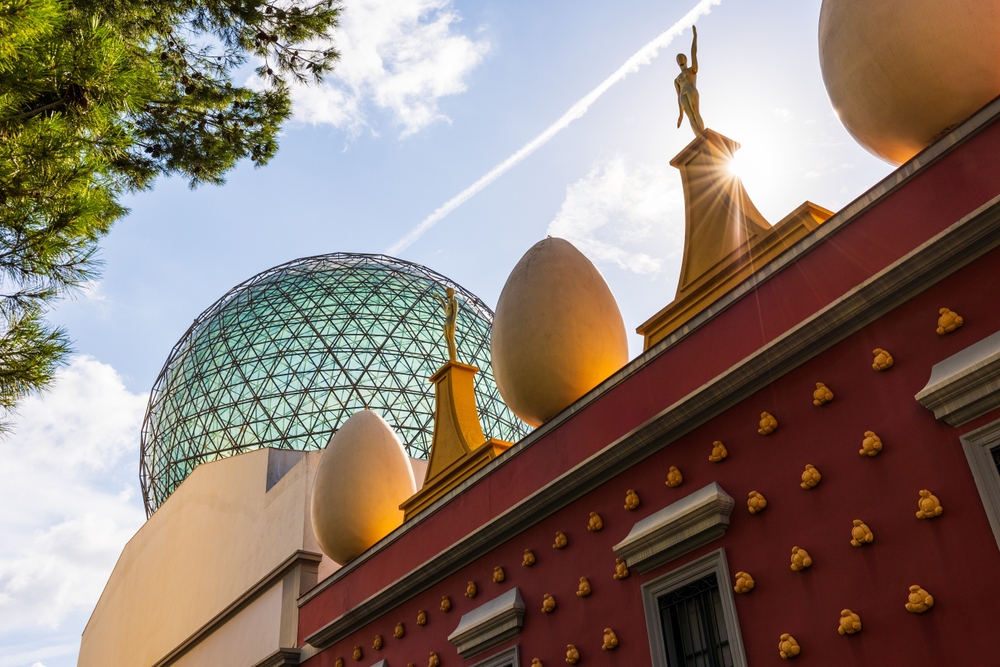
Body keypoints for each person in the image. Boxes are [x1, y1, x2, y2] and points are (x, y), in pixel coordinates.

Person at [675, 26, 705, 134]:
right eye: (678, 59)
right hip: (683, 94)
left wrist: (695, 36)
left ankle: (704, 134)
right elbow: (678, 95)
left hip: (691, 89)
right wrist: (680, 114)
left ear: (685, 59)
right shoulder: (676, 79)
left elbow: (694, 52)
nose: (679, 59)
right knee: (691, 117)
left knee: (696, 113)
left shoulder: (692, 70)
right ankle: (699, 138)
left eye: (681, 57)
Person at [432, 287, 459, 362]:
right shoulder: (448, 305)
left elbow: (455, 312)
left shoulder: (454, 301)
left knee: (451, 340)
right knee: (447, 341)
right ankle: (451, 359)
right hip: (446, 322)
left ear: (451, 292)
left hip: (451, 321)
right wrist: (438, 296)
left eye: (447, 292)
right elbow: (444, 305)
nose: (446, 293)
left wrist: (453, 322)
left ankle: (454, 359)